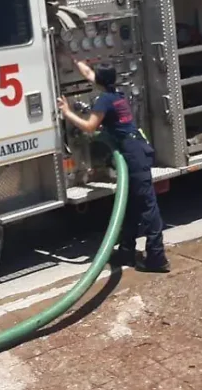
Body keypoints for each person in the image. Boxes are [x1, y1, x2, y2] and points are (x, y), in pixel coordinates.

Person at [56, 59, 170, 273]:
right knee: (131, 205)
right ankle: (127, 251)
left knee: (147, 206)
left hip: (133, 154)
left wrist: (67, 112)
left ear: (99, 81)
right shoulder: (115, 93)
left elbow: (90, 127)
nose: (91, 76)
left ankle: (157, 256)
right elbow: (89, 73)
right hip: (137, 149)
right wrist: (72, 58)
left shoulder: (104, 101)